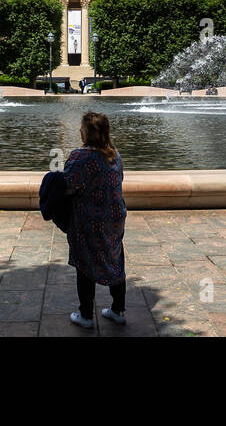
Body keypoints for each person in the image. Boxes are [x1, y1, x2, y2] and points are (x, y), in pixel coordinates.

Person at [65, 111, 128, 328]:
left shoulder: (80, 157)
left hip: (90, 219)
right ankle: (118, 309)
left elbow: (68, 187)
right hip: (115, 217)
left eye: (81, 128)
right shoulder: (115, 155)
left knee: (85, 262)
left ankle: (86, 315)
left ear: (85, 133)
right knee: (115, 258)